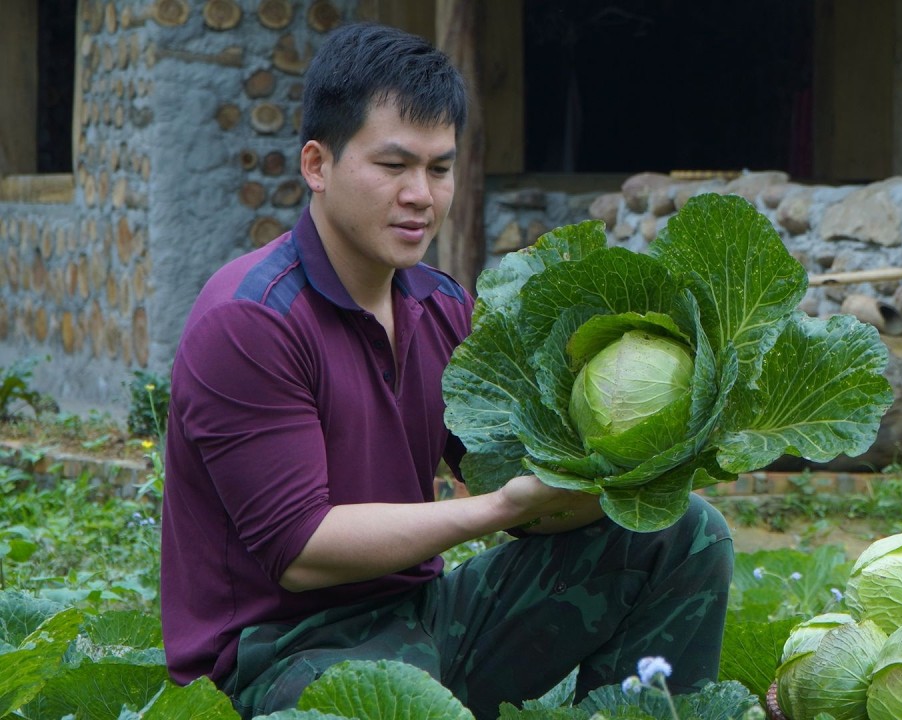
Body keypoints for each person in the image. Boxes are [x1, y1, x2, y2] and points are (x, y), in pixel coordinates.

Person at [158, 22, 733, 720]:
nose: (421, 196)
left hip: (420, 619)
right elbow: (299, 549)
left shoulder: (442, 305)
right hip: (275, 657)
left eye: (439, 168)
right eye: (393, 166)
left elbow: (509, 476)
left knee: (684, 534)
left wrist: (660, 460)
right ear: (317, 164)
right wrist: (498, 509)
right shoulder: (251, 320)